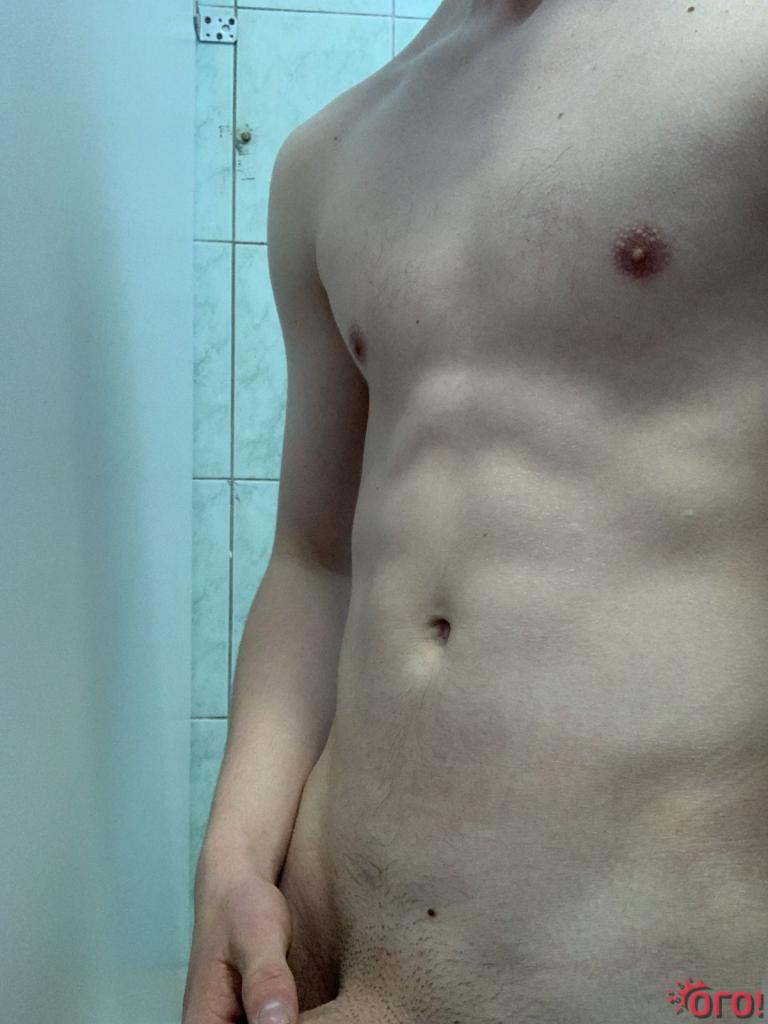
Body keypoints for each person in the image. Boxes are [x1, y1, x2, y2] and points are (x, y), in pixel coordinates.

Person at [182, 1, 768, 1021]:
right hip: (322, 960)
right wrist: (229, 867)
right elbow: (315, 559)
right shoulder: (325, 156)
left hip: (646, 967)